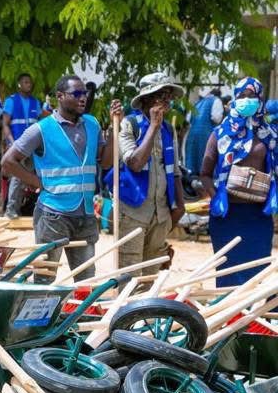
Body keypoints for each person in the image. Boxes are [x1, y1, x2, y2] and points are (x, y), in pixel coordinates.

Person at [2, 74, 121, 281]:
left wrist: (113, 130)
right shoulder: (41, 129)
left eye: (84, 93)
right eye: (76, 94)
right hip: (52, 215)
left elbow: (106, 162)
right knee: (44, 279)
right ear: (60, 96)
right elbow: (8, 162)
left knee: (86, 281)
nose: (83, 98)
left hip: (85, 214)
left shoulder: (92, 125)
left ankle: (81, 313)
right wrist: (38, 183)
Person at [199, 76, 277, 287]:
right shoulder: (220, 134)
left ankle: (252, 320)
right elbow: (204, 173)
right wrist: (217, 198)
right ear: (235, 99)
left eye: (252, 96)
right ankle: (228, 319)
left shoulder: (270, 136)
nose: (246, 100)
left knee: (257, 276)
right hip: (227, 217)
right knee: (227, 274)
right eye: (242, 96)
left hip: (258, 218)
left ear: (260, 99)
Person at [114, 73, 186, 275]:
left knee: (151, 274)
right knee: (129, 274)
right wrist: (153, 126)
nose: (167, 100)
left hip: (161, 212)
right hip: (133, 211)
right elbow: (135, 163)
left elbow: (175, 170)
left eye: (169, 95)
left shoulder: (168, 129)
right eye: (161, 95)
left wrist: (180, 206)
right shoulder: (130, 124)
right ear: (146, 99)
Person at [2, 73, 42, 219]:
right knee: (18, 177)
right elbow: (5, 124)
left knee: (31, 178)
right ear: (19, 84)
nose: (28, 85)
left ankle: (20, 209)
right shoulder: (11, 101)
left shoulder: (35, 102)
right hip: (18, 146)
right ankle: (11, 209)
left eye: (30, 82)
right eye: (25, 82)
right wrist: (12, 143)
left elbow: (39, 121)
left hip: (33, 146)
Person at [185, 88, 224, 175]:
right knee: (206, 158)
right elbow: (216, 118)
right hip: (206, 134)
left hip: (192, 134)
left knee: (192, 159)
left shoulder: (198, 103)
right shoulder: (216, 100)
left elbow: (188, 119)